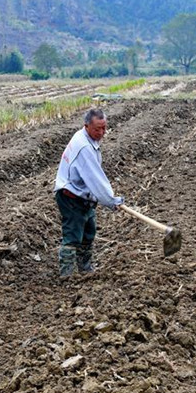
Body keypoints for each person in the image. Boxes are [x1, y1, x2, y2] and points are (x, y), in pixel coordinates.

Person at [53, 108, 123, 277]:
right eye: (97, 129)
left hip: (83, 196)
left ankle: (85, 269)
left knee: (88, 232)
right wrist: (111, 201)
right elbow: (95, 179)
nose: (102, 132)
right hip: (70, 196)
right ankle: (67, 276)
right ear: (86, 126)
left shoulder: (86, 138)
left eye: (104, 128)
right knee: (73, 236)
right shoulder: (84, 147)